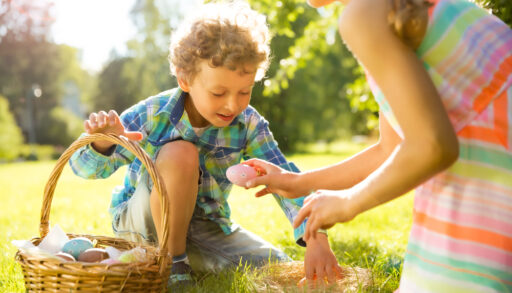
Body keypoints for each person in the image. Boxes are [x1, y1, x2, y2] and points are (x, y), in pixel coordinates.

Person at [68, 1, 341, 289]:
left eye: (244, 91)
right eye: (218, 92)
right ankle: (171, 265)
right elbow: (83, 170)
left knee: (277, 266)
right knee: (181, 152)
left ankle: (181, 258)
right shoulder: (151, 115)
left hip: (202, 228)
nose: (233, 104)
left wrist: (316, 237)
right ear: (185, 79)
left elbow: (287, 179)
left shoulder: (248, 124)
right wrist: (101, 144)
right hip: (142, 226)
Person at [245, 0, 512, 291]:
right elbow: (390, 149)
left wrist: (348, 203)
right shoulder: (398, 8)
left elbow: (433, 146)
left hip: (486, 201)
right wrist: (298, 181)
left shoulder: (365, 14)